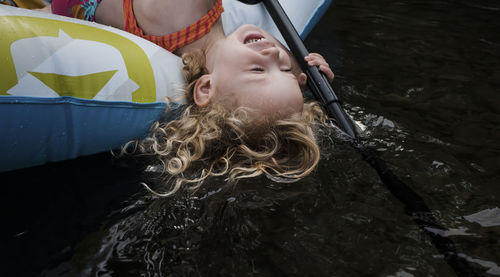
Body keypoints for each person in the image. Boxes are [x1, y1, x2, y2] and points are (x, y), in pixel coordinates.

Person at [36, 0, 337, 196]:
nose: (273, 52)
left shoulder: (186, 8)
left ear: (205, 89)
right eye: (284, 68)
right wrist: (304, 72)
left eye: (260, 68)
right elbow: (272, 70)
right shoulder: (212, 62)